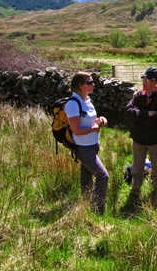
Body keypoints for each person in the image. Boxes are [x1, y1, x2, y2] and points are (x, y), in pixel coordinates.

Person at [65, 72, 109, 215]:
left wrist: (101, 120)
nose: (93, 84)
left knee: (87, 176)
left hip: (93, 145)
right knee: (103, 176)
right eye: (89, 82)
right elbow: (76, 130)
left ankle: (85, 203)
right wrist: (94, 128)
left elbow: (92, 119)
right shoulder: (73, 103)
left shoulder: (87, 100)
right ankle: (98, 209)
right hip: (83, 148)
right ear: (80, 85)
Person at [126, 67, 157, 200]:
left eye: (148, 79)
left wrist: (139, 118)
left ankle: (155, 189)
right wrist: (147, 114)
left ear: (155, 82)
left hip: (156, 140)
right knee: (137, 167)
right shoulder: (138, 95)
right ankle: (135, 190)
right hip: (139, 139)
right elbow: (129, 112)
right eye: (144, 79)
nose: (144, 82)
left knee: (156, 168)